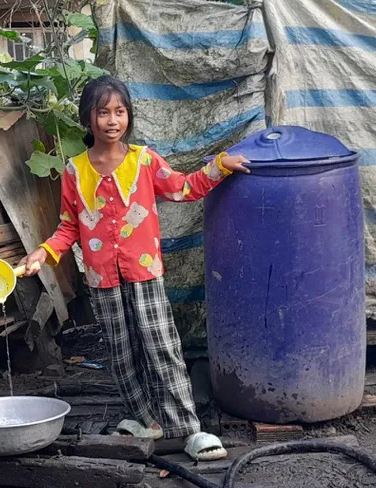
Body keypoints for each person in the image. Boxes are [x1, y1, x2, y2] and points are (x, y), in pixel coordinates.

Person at [19, 75, 249, 461]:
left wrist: (220, 166)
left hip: (144, 274)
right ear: (88, 119)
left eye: (120, 112)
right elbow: (69, 226)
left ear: (129, 116)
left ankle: (188, 428)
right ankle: (144, 419)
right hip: (102, 280)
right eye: (103, 112)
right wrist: (43, 252)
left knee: (162, 347)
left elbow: (182, 188)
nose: (112, 120)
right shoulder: (75, 171)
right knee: (121, 352)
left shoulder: (144, 160)